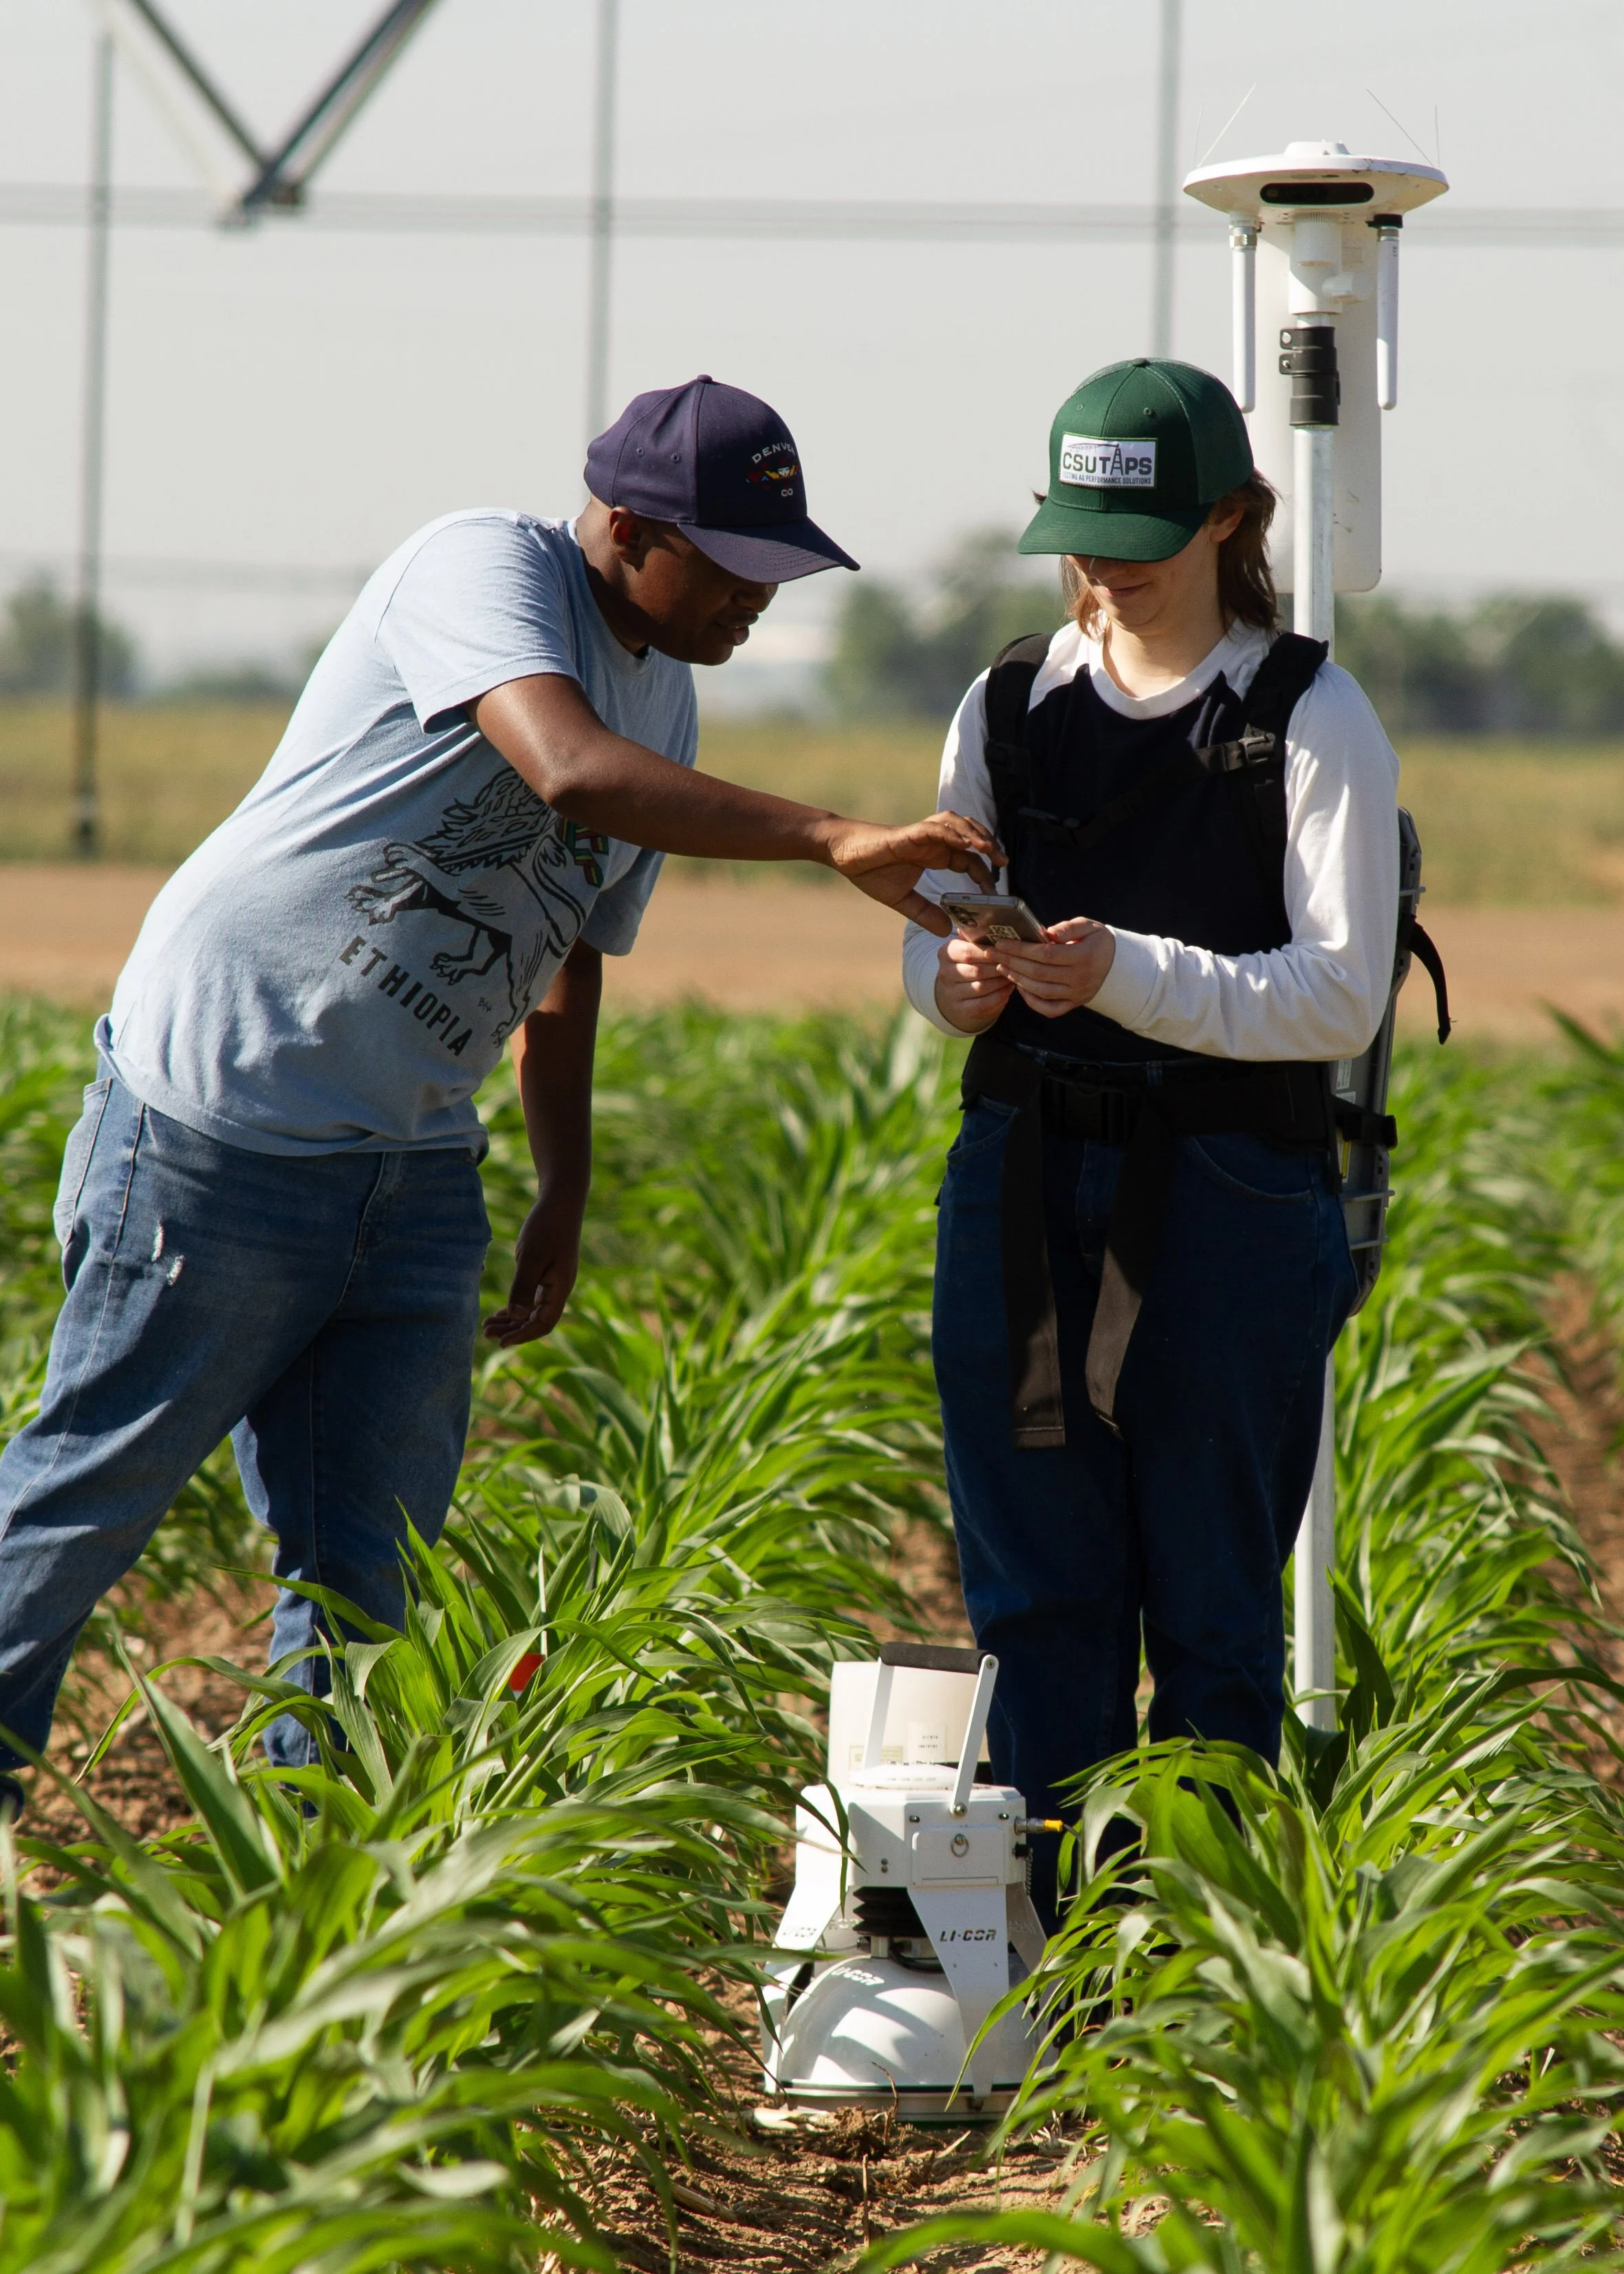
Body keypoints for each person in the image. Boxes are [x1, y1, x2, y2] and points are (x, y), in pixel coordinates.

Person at [0, 373, 997, 1795]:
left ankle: (311, 1854)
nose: (757, 599)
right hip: (222, 1122)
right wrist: (833, 834)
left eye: (777, 569)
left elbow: (570, 945)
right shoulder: (482, 566)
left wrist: (562, 1188)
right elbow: (570, 774)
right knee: (86, 1502)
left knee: (370, 1574)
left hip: (410, 1166)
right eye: (733, 565)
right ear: (627, 530)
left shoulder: (666, 697)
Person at [902, 358, 1398, 1926]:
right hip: (1022, 1178)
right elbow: (933, 930)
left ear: (1230, 518)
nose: (1105, 571)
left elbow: (1341, 994)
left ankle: (1194, 1960)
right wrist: (958, 981)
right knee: (1038, 1600)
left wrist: (1126, 972)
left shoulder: (1307, 714)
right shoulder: (1009, 701)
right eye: (1082, 538)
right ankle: (1056, 1957)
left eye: (1139, 541)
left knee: (1210, 1615)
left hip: (1230, 1196)